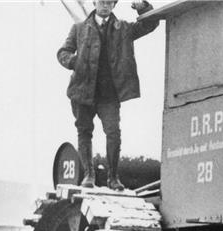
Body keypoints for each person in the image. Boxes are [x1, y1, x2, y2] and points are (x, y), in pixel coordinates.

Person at [57, 0, 159, 190]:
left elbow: (150, 24)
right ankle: (88, 175)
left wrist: (142, 6)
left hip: (109, 95)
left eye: (109, 2)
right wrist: (74, 61)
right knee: (84, 132)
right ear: (95, 3)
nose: (105, 5)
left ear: (114, 5)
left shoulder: (123, 28)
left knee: (113, 133)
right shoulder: (79, 28)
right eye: (102, 1)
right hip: (82, 91)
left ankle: (113, 178)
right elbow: (63, 52)